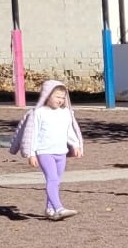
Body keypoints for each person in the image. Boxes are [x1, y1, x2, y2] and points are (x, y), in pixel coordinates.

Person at [8, 79, 85, 220]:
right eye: (57, 97)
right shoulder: (39, 113)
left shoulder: (66, 113)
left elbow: (70, 131)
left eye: (63, 97)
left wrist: (76, 145)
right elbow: (32, 134)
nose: (60, 100)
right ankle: (59, 208)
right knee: (52, 179)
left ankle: (50, 209)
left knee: (56, 181)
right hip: (44, 152)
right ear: (47, 95)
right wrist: (31, 154)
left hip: (61, 152)